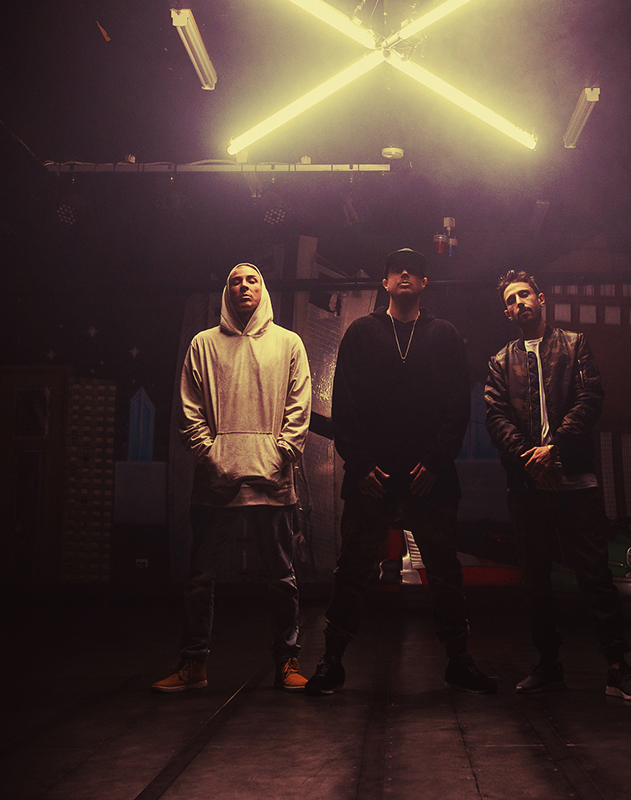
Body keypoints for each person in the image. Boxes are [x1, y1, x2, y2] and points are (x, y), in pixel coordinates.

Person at [304, 248, 496, 695]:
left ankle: (458, 660)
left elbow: (457, 405)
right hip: (371, 477)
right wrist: (360, 464)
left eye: (413, 271)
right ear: (385, 282)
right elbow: (345, 404)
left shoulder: (444, 334)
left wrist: (436, 461)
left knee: (445, 571)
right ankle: (331, 660)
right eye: (396, 270)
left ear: (424, 283)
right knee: (352, 570)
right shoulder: (361, 332)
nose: (404, 274)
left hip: (431, 477)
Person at [483, 270, 631, 700]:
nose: (519, 302)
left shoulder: (575, 345)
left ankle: (617, 669)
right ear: (506, 313)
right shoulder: (500, 361)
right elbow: (496, 418)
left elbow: (590, 399)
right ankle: (548, 666)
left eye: (524, 294)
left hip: (577, 482)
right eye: (511, 300)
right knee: (535, 581)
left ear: (541, 299)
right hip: (527, 487)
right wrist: (531, 460)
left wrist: (554, 449)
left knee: (596, 577)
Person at [153, 263, 312, 693]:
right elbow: (189, 409)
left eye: (252, 280)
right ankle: (193, 665)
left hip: (272, 482)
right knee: (200, 580)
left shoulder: (288, 343)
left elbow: (299, 407)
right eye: (236, 281)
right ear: (227, 291)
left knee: (282, 579)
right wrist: (211, 456)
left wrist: (281, 454)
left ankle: (287, 662)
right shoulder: (204, 344)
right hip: (215, 483)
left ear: (263, 289)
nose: (244, 286)